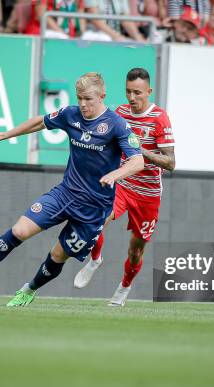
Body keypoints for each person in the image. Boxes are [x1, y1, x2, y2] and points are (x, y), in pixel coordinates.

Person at [0, 73, 144, 307]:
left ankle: (29, 289)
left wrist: (114, 175)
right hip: (64, 194)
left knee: (58, 256)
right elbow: (41, 121)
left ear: (102, 96)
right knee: (19, 230)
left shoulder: (117, 124)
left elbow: (137, 161)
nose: (83, 104)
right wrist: (6, 134)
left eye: (88, 98)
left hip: (94, 209)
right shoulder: (71, 114)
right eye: (79, 98)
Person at [73, 68, 176, 307]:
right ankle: (95, 259)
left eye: (138, 92)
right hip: (122, 183)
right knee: (95, 222)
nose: (132, 97)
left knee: (135, 251)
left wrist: (142, 152)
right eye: (128, 92)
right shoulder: (119, 112)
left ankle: (124, 288)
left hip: (148, 193)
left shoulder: (159, 118)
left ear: (148, 92)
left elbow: (170, 162)